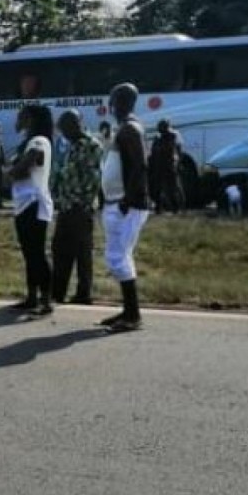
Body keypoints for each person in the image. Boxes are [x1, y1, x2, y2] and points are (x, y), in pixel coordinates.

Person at [100, 84, 152, 332]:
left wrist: (127, 201)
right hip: (119, 203)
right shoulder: (124, 128)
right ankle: (128, 311)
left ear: (121, 102)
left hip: (127, 205)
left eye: (113, 101)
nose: (110, 106)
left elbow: (140, 167)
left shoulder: (130, 128)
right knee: (120, 257)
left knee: (118, 258)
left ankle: (133, 316)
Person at [51, 109, 104, 306]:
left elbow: (93, 179)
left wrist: (82, 203)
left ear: (76, 124)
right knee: (60, 250)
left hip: (80, 207)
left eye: (66, 128)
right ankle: (57, 293)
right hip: (66, 206)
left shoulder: (91, 146)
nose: (64, 133)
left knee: (83, 253)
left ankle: (83, 293)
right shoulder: (71, 146)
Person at [9, 105, 55, 317]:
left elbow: (26, 166)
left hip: (34, 203)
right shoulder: (28, 141)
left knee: (36, 253)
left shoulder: (38, 140)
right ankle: (32, 297)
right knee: (29, 253)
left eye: (21, 117)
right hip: (24, 204)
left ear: (30, 119)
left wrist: (10, 172)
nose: (17, 121)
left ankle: (46, 300)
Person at [149, 119, 185, 214]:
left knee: (173, 187)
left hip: (170, 164)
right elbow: (153, 152)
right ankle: (159, 208)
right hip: (159, 165)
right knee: (158, 188)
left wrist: (179, 163)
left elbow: (179, 150)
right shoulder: (157, 137)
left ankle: (177, 208)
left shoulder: (174, 135)